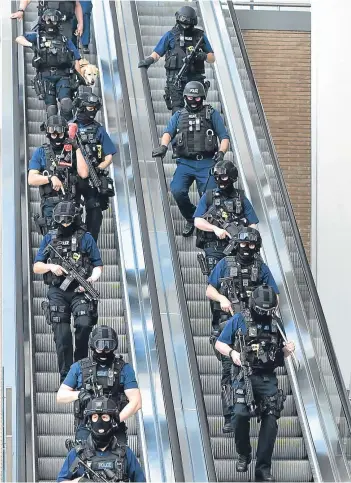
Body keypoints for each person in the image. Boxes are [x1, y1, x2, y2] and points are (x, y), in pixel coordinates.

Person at [215, 285, 295, 482]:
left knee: (271, 420)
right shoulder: (239, 319)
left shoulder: (276, 324)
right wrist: (233, 354)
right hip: (244, 375)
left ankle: (263, 469)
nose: (266, 314)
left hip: (267, 377)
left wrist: (287, 351)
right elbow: (219, 343)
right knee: (240, 415)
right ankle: (244, 453)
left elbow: (278, 354)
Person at [206, 227, 279, 434]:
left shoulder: (261, 268)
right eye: (244, 244)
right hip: (229, 323)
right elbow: (210, 289)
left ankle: (251, 408)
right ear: (237, 244)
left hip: (253, 326)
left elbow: (275, 294)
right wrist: (222, 299)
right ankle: (230, 415)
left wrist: (262, 307)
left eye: (252, 244)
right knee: (229, 370)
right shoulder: (224, 264)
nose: (247, 248)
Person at [33, 201, 103, 383]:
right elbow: (37, 266)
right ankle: (66, 377)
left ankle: (80, 368)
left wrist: (91, 280)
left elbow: (97, 264)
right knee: (62, 334)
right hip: (58, 291)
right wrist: (51, 266)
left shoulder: (85, 238)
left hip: (79, 290)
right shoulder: (49, 238)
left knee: (84, 324)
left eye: (68, 220)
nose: (64, 223)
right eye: (60, 220)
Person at [152, 81, 229, 237]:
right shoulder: (179, 115)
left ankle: (207, 227)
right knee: (177, 190)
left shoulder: (211, 113)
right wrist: (163, 146)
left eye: (197, 98)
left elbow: (224, 136)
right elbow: (168, 132)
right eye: (190, 98)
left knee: (209, 196)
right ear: (185, 97)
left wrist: (221, 152)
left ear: (203, 97)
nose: (193, 101)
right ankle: (191, 217)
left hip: (207, 162)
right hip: (185, 163)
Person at [57, 325, 142, 444]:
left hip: (114, 426)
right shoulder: (79, 367)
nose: (104, 350)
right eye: (100, 346)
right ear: (93, 345)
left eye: (108, 346)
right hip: (87, 425)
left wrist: (116, 420)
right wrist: (80, 394)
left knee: (122, 459)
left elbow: (136, 402)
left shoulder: (124, 368)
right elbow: (60, 396)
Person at [138, 5, 215, 114]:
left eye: (189, 24)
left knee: (196, 109)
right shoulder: (170, 35)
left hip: (195, 78)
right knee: (177, 110)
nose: (186, 26)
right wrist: (149, 61)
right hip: (176, 79)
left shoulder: (200, 36)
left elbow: (212, 58)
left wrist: (202, 55)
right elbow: (157, 53)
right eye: (184, 23)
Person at [194, 159, 259, 281]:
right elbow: (197, 221)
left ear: (231, 177)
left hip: (237, 248)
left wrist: (245, 239)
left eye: (223, 177)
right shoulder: (209, 196)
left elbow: (253, 224)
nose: (219, 180)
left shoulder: (241, 198)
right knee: (215, 282)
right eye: (217, 177)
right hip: (214, 247)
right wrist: (215, 229)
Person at [57, 397, 145, 482]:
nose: (100, 422)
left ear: (112, 421)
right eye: (95, 417)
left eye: (104, 417)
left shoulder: (125, 454)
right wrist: (80, 481)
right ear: (89, 422)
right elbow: (61, 481)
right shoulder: (77, 454)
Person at [15, 8, 82, 120]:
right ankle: (54, 132)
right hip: (45, 77)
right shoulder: (37, 37)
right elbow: (19, 38)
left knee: (66, 103)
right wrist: (32, 45)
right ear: (43, 20)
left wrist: (80, 78)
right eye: (48, 19)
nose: (50, 23)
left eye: (54, 20)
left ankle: (67, 127)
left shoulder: (64, 39)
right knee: (51, 109)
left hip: (63, 76)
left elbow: (76, 59)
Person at [28, 115, 88, 234]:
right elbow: (31, 179)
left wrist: (77, 148)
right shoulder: (40, 152)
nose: (57, 137)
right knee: (52, 243)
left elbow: (84, 173)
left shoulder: (72, 150)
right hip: (51, 205)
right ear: (48, 133)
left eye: (60, 133)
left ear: (65, 133)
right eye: (53, 134)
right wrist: (51, 178)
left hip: (71, 203)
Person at [71, 91, 116, 241]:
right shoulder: (70, 127)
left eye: (95, 108)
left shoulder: (99, 129)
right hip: (74, 178)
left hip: (93, 178)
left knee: (95, 212)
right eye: (90, 108)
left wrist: (99, 168)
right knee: (72, 210)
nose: (93, 111)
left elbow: (109, 155)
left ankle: (91, 244)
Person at [11, 1, 83, 39]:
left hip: (65, 25)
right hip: (46, 23)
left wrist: (80, 23)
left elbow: (77, 4)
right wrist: (21, 11)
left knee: (67, 52)